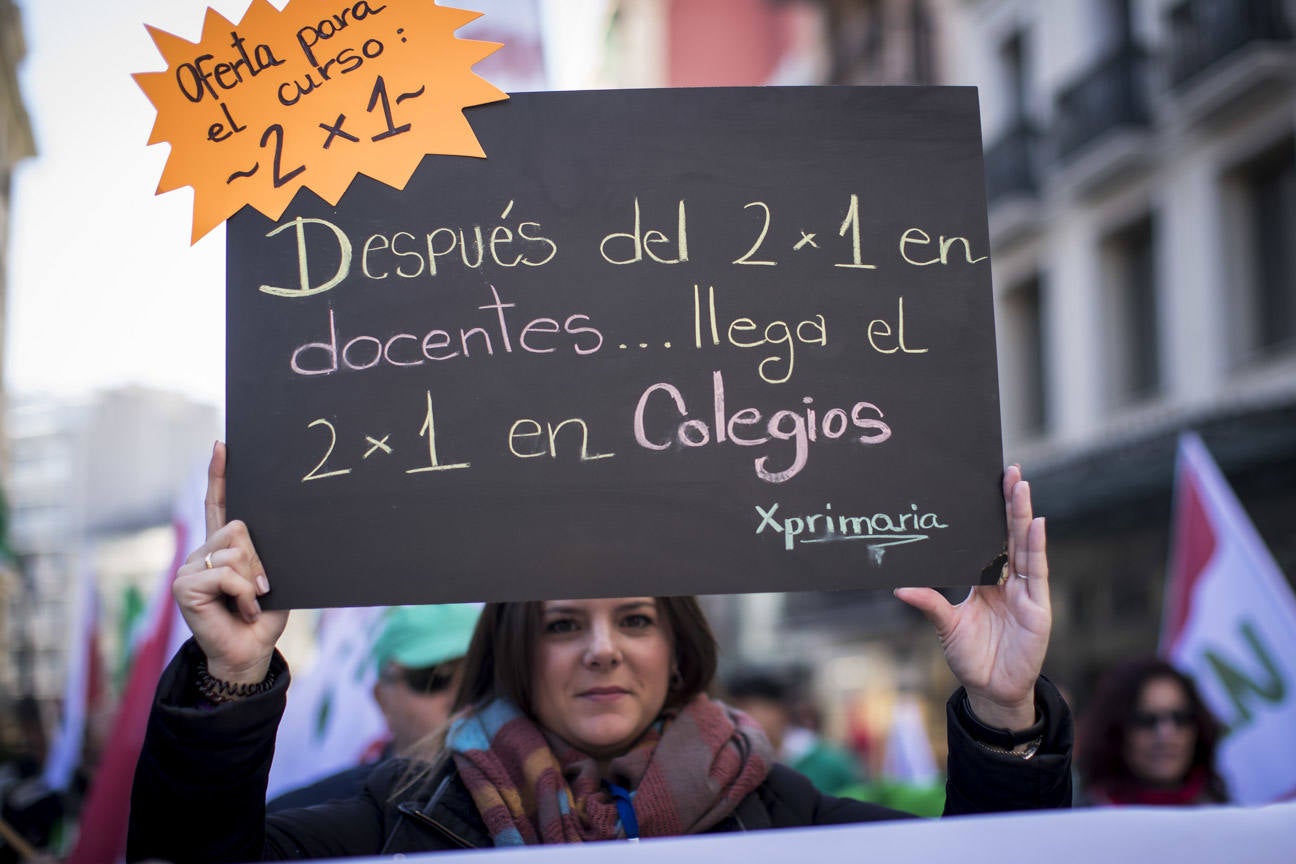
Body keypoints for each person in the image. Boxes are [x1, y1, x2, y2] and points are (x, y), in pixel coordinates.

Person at [127, 446, 1070, 860]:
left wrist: (1002, 713)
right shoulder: (406, 813)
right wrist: (231, 676)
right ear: (516, 648)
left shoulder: (781, 812)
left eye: (636, 619)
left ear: (679, 645)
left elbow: (1001, 862)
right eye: (563, 624)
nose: (603, 653)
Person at [267, 603, 481, 811]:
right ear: (382, 697)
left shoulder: (511, 800)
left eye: (477, 679)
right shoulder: (310, 813)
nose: (458, 699)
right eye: (433, 679)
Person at [1076, 658, 1227, 806]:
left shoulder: (1224, 815)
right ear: (1116, 731)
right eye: (1146, 720)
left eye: (1181, 718)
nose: (1166, 734)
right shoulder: (1083, 818)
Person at [724, 666, 863, 796]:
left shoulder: (829, 763)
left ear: (778, 710)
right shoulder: (733, 765)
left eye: (747, 707)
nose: (737, 717)